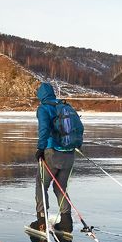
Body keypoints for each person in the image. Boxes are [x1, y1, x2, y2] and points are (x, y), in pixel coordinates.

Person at [32, 81, 79, 234]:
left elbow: (44, 129)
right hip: (69, 152)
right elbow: (78, 128)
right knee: (60, 187)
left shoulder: (44, 108)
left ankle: (41, 221)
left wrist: (40, 148)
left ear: (40, 95)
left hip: (52, 152)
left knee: (41, 184)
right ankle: (66, 222)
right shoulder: (65, 106)